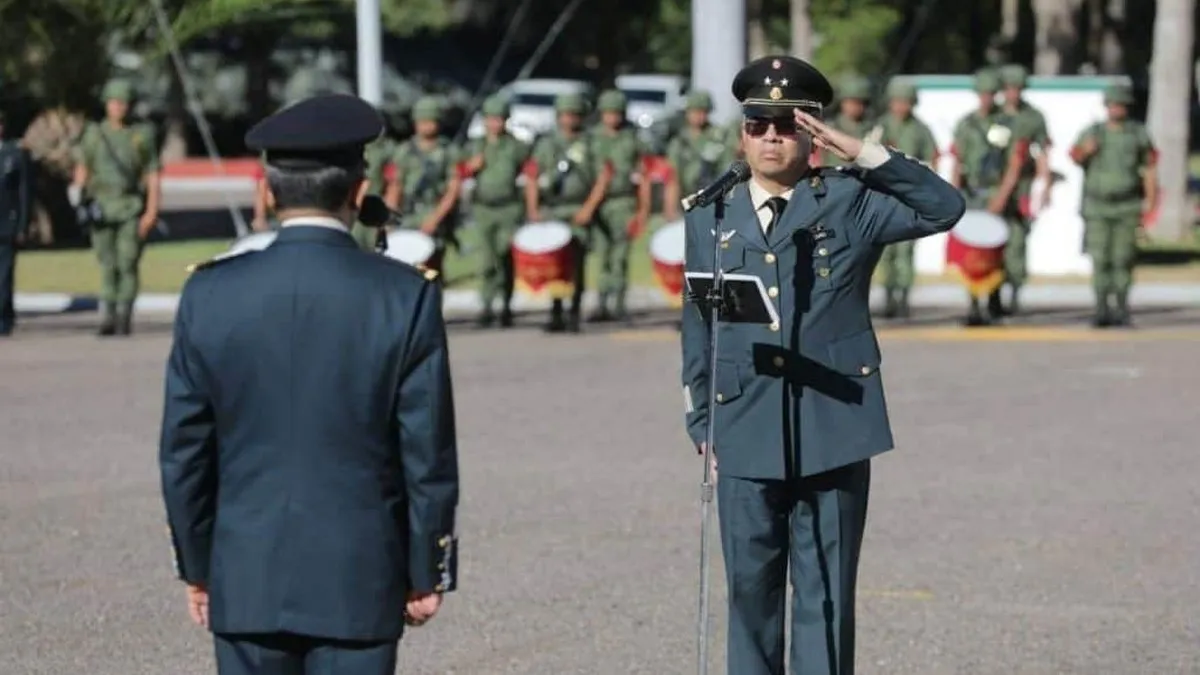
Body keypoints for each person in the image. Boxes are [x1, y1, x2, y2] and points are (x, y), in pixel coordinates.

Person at [679, 55, 965, 675]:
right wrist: (702, 422)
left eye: (788, 123)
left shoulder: (850, 201)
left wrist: (858, 150)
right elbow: (700, 324)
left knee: (825, 594)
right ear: (743, 132)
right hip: (744, 425)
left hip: (832, 425)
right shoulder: (711, 213)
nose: (771, 135)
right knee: (750, 594)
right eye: (759, 123)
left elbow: (944, 207)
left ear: (811, 134)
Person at [158, 93, 460, 675]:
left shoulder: (210, 293)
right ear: (357, 190)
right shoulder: (404, 295)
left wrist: (199, 567)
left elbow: (184, 453)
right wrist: (426, 569)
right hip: (360, 576)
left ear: (268, 190)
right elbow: (426, 453)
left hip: (245, 576)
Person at [70, 78, 161, 336]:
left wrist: (152, 210)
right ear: (106, 104)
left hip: (130, 206)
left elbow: (153, 174)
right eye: (114, 102)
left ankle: (124, 315)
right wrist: (77, 197)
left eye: (123, 102)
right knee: (107, 262)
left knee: (128, 261)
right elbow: (83, 168)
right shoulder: (94, 134)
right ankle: (107, 314)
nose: (118, 107)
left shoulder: (142, 135)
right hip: (101, 208)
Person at [1069, 81, 1158, 328]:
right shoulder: (1094, 132)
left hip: (1127, 206)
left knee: (1123, 258)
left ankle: (1121, 307)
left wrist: (1150, 203)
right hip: (1098, 207)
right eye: (1112, 104)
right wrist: (1086, 151)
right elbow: (1074, 156)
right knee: (1100, 259)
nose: (1116, 109)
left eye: (1120, 105)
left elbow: (1149, 167)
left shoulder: (1137, 133)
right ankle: (1100, 308)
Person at [524, 92, 611, 333]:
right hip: (552, 209)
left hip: (578, 209)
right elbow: (532, 175)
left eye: (574, 114)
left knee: (577, 262)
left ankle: (574, 311)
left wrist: (588, 209)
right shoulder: (546, 144)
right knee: (553, 263)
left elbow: (602, 178)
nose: (569, 119)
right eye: (565, 115)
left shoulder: (591, 143)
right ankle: (555, 311)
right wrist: (533, 209)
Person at [949, 69, 1029, 326]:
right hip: (971, 193)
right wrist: (952, 194)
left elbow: (1015, 164)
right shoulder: (965, 124)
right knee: (971, 250)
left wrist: (1003, 196)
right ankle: (973, 306)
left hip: (995, 192)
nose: (986, 99)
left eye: (990, 94)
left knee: (995, 251)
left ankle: (994, 304)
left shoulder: (1007, 124)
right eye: (982, 94)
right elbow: (958, 160)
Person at [868, 77, 940, 319]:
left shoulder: (920, 130)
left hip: (910, 196)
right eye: (897, 101)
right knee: (885, 250)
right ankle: (888, 297)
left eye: (906, 102)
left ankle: (904, 299)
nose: (901, 106)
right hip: (884, 195)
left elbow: (933, 158)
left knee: (906, 249)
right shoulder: (881, 126)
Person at [459, 93, 530, 327]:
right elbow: (460, 173)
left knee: (504, 255)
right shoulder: (475, 145)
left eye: (499, 119)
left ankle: (506, 305)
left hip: (509, 208)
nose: (494, 123)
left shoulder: (517, 147)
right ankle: (487, 304)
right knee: (487, 258)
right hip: (483, 208)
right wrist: (472, 166)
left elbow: (529, 173)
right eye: (490, 119)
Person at [589, 89, 652, 323]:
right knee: (602, 255)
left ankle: (619, 304)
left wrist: (643, 209)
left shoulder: (632, 138)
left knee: (621, 255)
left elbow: (644, 175)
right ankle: (601, 303)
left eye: (616, 113)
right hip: (599, 203)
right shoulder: (592, 138)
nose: (612, 118)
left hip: (624, 201)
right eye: (608, 113)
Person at [997, 63, 1053, 316]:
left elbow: (1042, 153)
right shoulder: (995, 117)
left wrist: (1045, 186)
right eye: (1009, 88)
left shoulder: (1033, 118)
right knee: (992, 243)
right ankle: (993, 296)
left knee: (1017, 243)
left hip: (1022, 187)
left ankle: (1015, 294)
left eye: (1017, 89)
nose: (1013, 94)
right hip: (995, 186)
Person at [385, 96, 463, 275]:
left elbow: (453, 189)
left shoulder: (448, 152)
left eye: (430, 121)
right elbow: (394, 187)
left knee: (432, 270)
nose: (426, 126)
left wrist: (435, 219)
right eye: (422, 121)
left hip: (435, 215)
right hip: (407, 215)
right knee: (405, 268)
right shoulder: (403, 151)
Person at [663, 90, 734, 222]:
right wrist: (671, 210)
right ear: (687, 112)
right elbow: (672, 179)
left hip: (714, 199)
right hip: (685, 199)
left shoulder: (719, 137)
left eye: (703, 111)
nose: (699, 116)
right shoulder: (679, 141)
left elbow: (728, 171)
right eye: (694, 111)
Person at [0, 107, 33, 337]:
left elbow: (24, 194)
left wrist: (22, 225)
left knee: (3, 275)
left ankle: (3, 318)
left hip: (5, 224)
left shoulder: (15, 154)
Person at [814, 73, 873, 167]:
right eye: (851, 102)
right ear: (842, 103)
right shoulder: (830, 127)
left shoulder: (873, 129)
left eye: (860, 103)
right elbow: (820, 158)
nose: (855, 107)